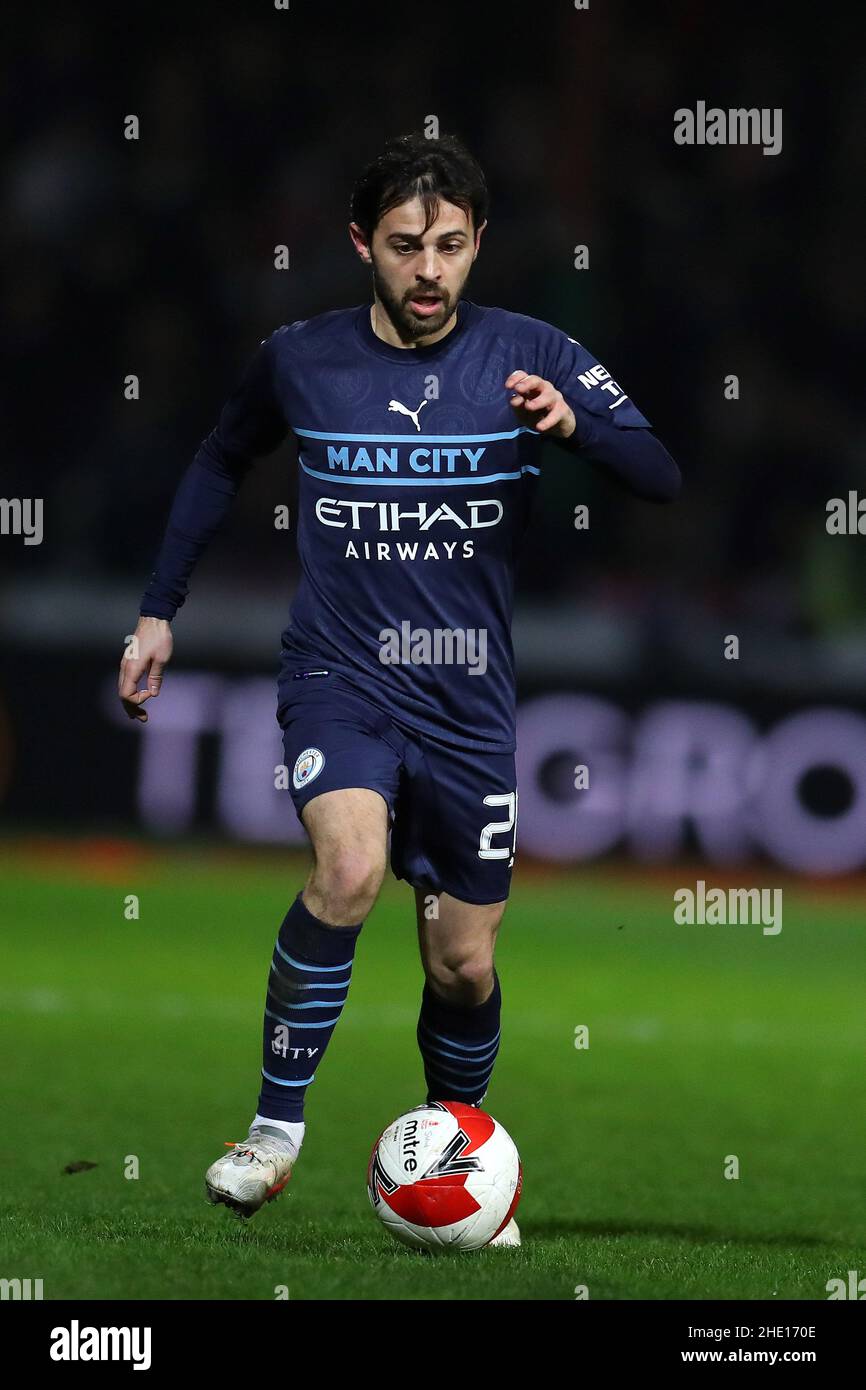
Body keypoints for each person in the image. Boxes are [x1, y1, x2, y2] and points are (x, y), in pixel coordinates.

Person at [118, 131, 681, 1247]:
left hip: (468, 700)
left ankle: (455, 1153)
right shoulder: (300, 358)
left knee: (461, 963)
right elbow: (219, 456)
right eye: (405, 246)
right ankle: (274, 1134)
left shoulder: (531, 352)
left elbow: (658, 472)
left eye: (452, 246)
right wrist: (156, 610)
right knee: (349, 866)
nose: (430, 271)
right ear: (359, 245)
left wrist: (575, 429)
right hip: (340, 675)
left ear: (479, 244)